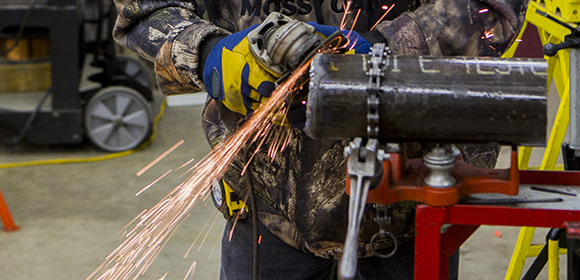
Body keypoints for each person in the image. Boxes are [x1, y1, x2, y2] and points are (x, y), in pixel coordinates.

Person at [112, 0, 527, 279]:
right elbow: (145, 10)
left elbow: (495, 8)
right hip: (266, 210)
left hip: (415, 206)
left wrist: (386, 51)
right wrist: (207, 51)